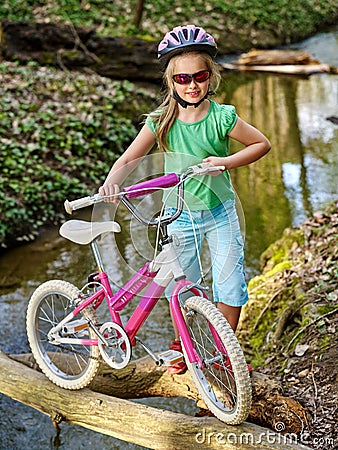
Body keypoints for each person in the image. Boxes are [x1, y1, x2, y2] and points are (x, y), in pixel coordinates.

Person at [99, 25, 271, 374]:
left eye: (200, 76)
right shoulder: (161, 121)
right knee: (184, 285)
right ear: (171, 81)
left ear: (211, 77)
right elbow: (129, 159)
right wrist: (110, 185)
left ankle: (225, 353)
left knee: (230, 283)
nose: (192, 85)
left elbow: (261, 144)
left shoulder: (222, 118)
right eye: (183, 79)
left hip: (222, 213)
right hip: (181, 216)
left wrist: (223, 162)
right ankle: (186, 345)